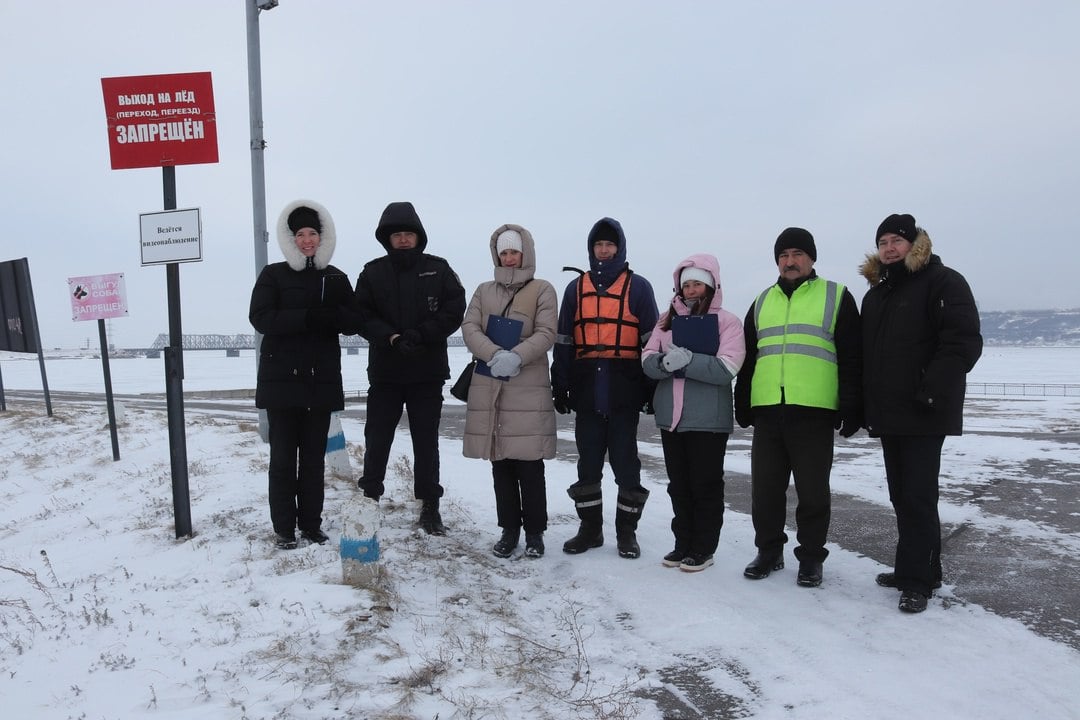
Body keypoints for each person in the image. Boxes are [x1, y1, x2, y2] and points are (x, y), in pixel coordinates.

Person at [860, 213, 982, 613]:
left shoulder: (943, 282)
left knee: (918, 496)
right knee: (901, 495)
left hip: (924, 411)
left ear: (916, 245)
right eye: (884, 242)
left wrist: (932, 391)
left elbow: (962, 343)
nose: (890, 248)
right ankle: (916, 568)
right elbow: (870, 357)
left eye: (898, 240)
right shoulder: (876, 295)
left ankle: (918, 581)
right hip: (890, 412)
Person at [734, 227, 862, 587]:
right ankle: (769, 551)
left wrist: (851, 404)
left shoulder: (836, 296)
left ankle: (810, 558)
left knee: (813, 492)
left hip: (814, 411)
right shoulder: (762, 301)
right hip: (769, 412)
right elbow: (749, 358)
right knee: (765, 491)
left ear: (811, 258)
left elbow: (852, 356)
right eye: (784, 256)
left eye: (797, 254)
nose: (790, 262)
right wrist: (742, 401)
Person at [249, 200, 361, 550]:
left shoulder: (336, 277)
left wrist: (338, 317)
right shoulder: (273, 275)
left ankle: (311, 525)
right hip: (281, 382)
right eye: (300, 234)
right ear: (290, 238)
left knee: (313, 461)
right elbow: (261, 318)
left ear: (322, 236)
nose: (307, 240)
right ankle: (284, 528)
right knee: (282, 459)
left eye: (313, 233)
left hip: (320, 381)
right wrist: (309, 318)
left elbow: (353, 320)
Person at [354, 201, 466, 535]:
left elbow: (453, 309)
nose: (403, 240)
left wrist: (421, 335)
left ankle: (430, 506)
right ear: (387, 239)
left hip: (426, 373)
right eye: (397, 235)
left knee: (426, 442)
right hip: (386, 373)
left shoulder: (439, 269)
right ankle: (369, 499)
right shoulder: (372, 272)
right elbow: (361, 314)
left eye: (408, 234)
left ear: (418, 237)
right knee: (377, 439)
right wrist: (389, 336)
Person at [551, 217, 659, 558]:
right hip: (586, 386)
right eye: (599, 245)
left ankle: (626, 533)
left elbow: (651, 342)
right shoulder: (575, 289)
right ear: (591, 249)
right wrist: (561, 382)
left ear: (620, 248)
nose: (604, 250)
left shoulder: (638, 287)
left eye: (610, 245)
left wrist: (650, 387)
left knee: (626, 462)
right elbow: (565, 340)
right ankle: (590, 530)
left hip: (624, 387)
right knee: (588, 462)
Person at [461, 225, 559, 558]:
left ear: (525, 253)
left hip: (527, 388)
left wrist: (516, 355)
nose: (509, 257)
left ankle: (535, 533)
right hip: (491, 386)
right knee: (500, 463)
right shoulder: (483, 290)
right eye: (503, 252)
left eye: (514, 251)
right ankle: (509, 530)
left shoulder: (542, 289)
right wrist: (493, 354)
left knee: (530, 465)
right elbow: (470, 327)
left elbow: (547, 332)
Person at [642, 254, 744, 572]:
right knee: (679, 485)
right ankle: (682, 543)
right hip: (671, 417)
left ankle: (703, 548)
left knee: (705, 485)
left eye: (697, 283)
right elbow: (647, 359)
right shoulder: (665, 321)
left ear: (711, 286)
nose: (690, 290)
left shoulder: (727, 321)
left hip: (708, 419)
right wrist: (662, 363)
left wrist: (689, 361)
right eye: (686, 284)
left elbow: (727, 367)